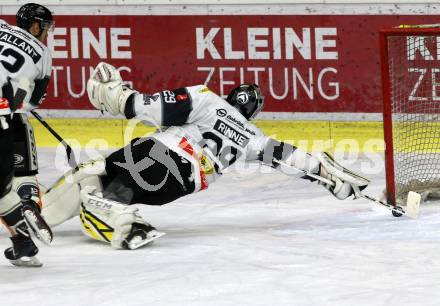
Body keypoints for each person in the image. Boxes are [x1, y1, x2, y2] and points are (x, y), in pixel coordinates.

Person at [40, 62, 368, 250]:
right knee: (117, 185)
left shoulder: (207, 99)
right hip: (176, 187)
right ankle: (122, 215)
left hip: (156, 155)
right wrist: (328, 177)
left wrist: (116, 95)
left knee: (92, 172)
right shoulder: (252, 136)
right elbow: (289, 158)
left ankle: (43, 213)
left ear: (231, 95)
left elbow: (149, 107)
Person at [0, 3, 54, 266]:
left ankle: (22, 239)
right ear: (36, 27)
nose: (47, 34)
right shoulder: (43, 55)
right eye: (46, 29)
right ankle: (23, 237)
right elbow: (30, 102)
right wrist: (18, 103)